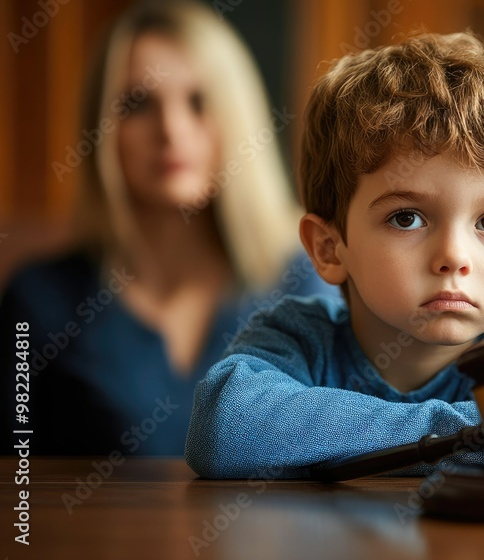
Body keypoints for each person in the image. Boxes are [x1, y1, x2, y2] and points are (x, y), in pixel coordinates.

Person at [184, 32, 484, 479]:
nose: (454, 257)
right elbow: (225, 430)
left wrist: (350, 447)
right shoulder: (300, 336)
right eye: (407, 218)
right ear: (328, 248)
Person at [0, 1, 338, 455]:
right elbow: (11, 485)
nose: (171, 130)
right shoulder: (38, 299)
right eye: (138, 104)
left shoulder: (309, 284)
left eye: (199, 102)